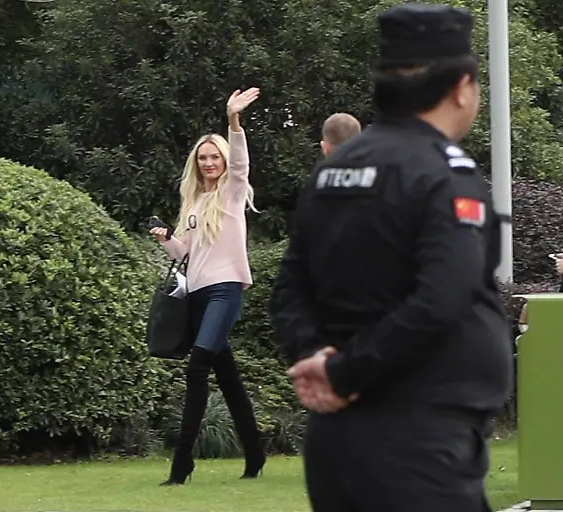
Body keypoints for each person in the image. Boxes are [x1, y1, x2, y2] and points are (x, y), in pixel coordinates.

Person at [268, 4, 512, 511]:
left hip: (338, 441)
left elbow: (291, 284)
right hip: (418, 441)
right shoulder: (444, 173)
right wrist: (346, 372)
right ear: (462, 86)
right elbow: (442, 298)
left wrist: (313, 356)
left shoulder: (335, 169)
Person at [149, 87, 266, 485]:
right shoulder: (194, 201)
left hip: (225, 290)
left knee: (198, 367)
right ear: (196, 164)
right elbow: (186, 253)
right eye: (204, 158)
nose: (210, 162)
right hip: (196, 294)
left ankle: (181, 465)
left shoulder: (232, 194)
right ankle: (256, 452)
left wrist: (233, 121)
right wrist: (166, 238)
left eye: (215, 156)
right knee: (228, 379)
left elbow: (241, 166)